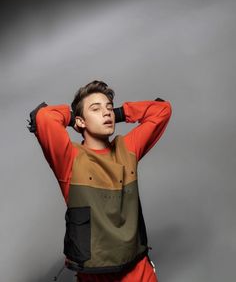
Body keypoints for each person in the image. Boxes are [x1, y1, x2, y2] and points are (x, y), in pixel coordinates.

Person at [27, 80, 172, 281]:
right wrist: (74, 118)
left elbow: (162, 110)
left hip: (139, 269)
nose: (106, 113)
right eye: (96, 109)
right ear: (80, 121)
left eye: (109, 108)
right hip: (96, 275)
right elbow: (44, 117)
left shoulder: (127, 148)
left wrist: (120, 113)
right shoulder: (69, 159)